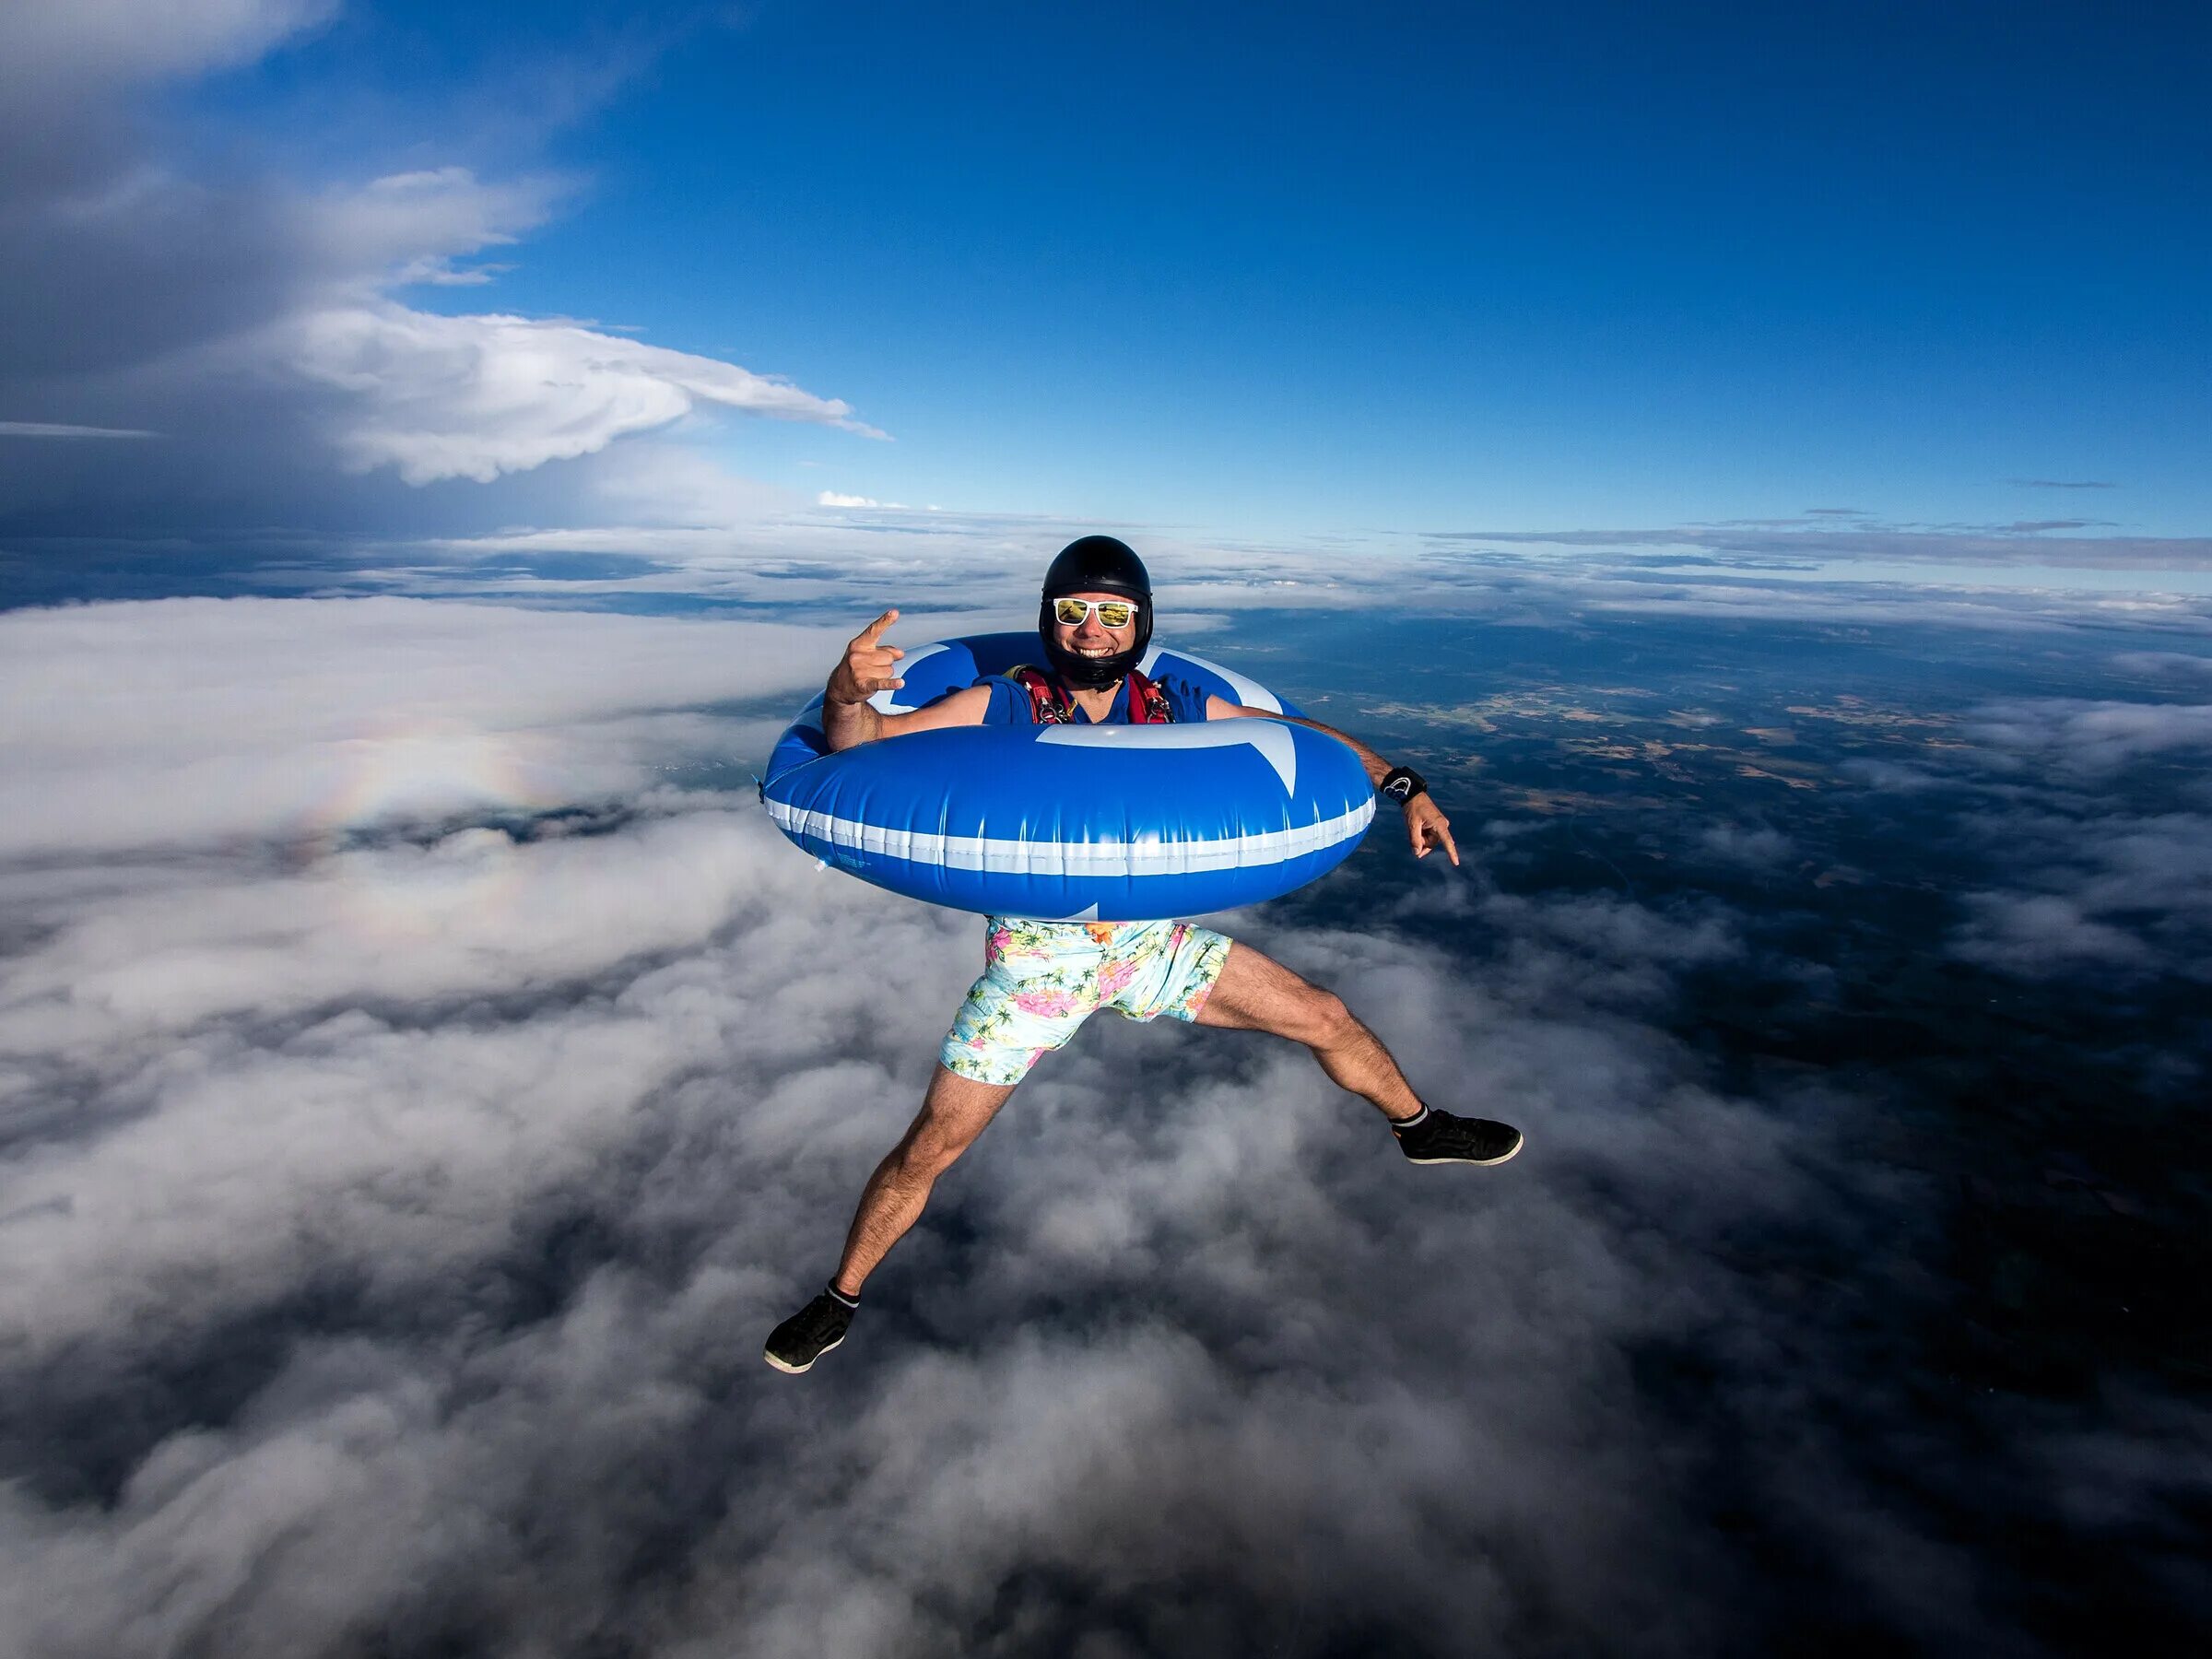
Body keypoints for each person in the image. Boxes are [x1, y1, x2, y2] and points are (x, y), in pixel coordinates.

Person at [765, 535, 1521, 1374]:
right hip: (1036, 974)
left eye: (1113, 614)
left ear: (1141, 624)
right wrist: (844, 691)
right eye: (1074, 612)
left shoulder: (1173, 701)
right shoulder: (1006, 700)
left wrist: (1404, 785)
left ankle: (1418, 1127)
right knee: (931, 1149)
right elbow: (868, 746)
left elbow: (1302, 734)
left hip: (1149, 946)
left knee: (1326, 1018)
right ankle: (839, 1297)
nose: (1092, 629)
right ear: (1050, 622)